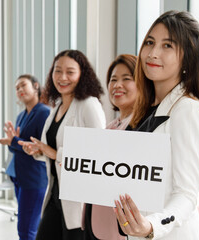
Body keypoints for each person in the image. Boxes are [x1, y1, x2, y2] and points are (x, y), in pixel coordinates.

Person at [113, 11, 199, 240]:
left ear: (188, 58)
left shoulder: (187, 109)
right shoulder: (147, 110)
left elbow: (187, 195)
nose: (153, 53)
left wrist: (151, 226)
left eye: (167, 45)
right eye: (150, 42)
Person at [19, 50, 106, 240]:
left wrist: (53, 153)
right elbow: (51, 150)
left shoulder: (88, 104)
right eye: (57, 71)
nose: (62, 77)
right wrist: (38, 151)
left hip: (78, 200)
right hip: (55, 195)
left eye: (70, 72)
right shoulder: (56, 107)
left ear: (82, 74)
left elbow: (99, 153)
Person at [83, 54, 138, 240]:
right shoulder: (111, 126)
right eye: (113, 80)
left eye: (126, 79)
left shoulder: (142, 129)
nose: (117, 85)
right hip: (95, 220)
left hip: (118, 228)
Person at [0, 74, 50, 240]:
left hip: (34, 178)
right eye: (17, 88)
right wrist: (11, 142)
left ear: (36, 86)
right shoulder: (21, 116)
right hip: (20, 176)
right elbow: (19, 147)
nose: (19, 90)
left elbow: (41, 147)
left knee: (25, 230)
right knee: (30, 226)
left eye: (23, 85)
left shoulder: (43, 113)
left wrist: (14, 141)